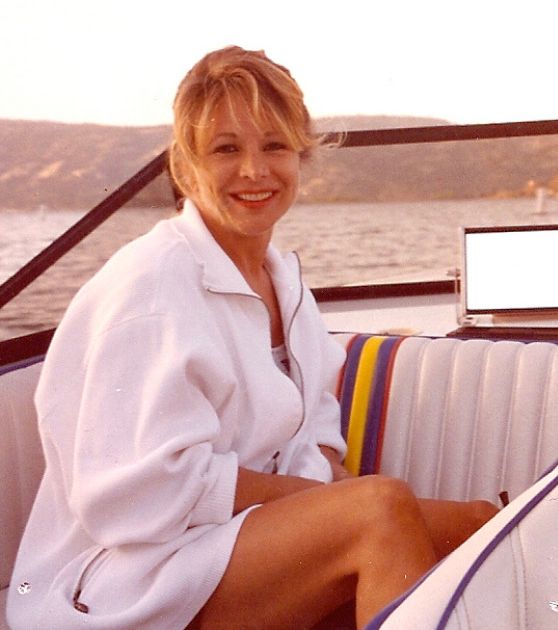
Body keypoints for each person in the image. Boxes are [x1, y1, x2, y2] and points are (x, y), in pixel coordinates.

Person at [7, 46, 498, 630]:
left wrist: (320, 488)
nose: (254, 171)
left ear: (301, 155)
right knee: (381, 511)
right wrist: (318, 500)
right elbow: (135, 497)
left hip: (221, 550)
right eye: (226, 149)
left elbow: (314, 417)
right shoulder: (150, 288)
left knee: (482, 524)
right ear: (186, 168)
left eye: (274, 146)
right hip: (121, 583)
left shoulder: (282, 278)